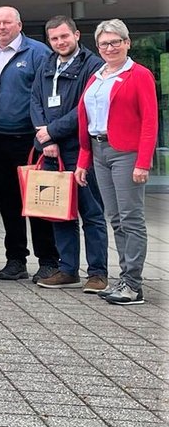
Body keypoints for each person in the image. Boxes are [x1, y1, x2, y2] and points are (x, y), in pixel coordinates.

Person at [76, 19, 158, 305]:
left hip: (126, 153)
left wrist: (143, 162)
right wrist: (83, 160)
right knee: (115, 218)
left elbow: (150, 120)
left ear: (127, 43)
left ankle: (133, 285)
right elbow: (88, 120)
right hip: (99, 150)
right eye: (103, 44)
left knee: (131, 218)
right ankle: (124, 278)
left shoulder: (139, 74)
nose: (109, 48)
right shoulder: (97, 76)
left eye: (115, 42)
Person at [0, 5, 58, 281]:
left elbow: (47, 95)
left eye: (7, 22)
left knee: (36, 201)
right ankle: (16, 259)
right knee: (7, 201)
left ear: (19, 25)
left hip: (28, 139)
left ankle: (48, 261)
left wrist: (47, 134)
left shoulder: (38, 53)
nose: (2, 27)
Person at [30, 16, 106, 292]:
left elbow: (85, 106)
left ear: (76, 35)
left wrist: (52, 131)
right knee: (60, 212)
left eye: (64, 36)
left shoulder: (93, 65)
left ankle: (97, 273)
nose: (60, 42)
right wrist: (45, 138)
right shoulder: (46, 64)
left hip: (80, 150)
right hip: (52, 151)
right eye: (54, 38)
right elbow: (35, 101)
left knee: (92, 213)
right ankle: (68, 270)